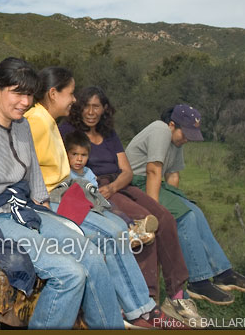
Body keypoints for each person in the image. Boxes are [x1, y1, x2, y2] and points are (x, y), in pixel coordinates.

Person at [0, 57, 123, 330]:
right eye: (17, 92)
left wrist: (49, 220)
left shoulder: (22, 124)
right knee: (69, 274)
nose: (25, 101)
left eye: (28, 94)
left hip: (22, 209)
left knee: (92, 256)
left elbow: (34, 175)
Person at [24, 67, 172, 329]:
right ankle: (137, 309)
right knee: (109, 235)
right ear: (53, 93)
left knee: (117, 226)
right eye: (70, 94)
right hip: (48, 198)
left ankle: (142, 306)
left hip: (63, 192)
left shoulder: (48, 121)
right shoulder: (36, 121)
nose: (73, 100)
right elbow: (24, 167)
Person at [59, 86, 202, 327]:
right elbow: (66, 168)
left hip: (117, 184)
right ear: (79, 107)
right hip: (93, 188)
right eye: (86, 106)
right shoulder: (67, 131)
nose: (91, 112)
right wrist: (98, 190)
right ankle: (144, 299)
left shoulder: (109, 133)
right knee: (144, 225)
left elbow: (126, 171)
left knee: (164, 217)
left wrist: (114, 187)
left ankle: (177, 293)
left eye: (97, 106)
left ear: (105, 109)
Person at [125, 104, 245, 304]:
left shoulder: (176, 142)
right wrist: (156, 211)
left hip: (154, 182)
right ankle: (198, 281)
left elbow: (173, 175)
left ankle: (223, 272)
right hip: (135, 183)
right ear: (172, 125)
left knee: (196, 211)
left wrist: (178, 200)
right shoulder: (160, 130)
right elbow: (153, 170)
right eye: (185, 133)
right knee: (186, 217)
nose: (186, 139)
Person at [63, 130, 156, 247]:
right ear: (66, 154)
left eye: (83, 155)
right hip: (83, 206)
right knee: (110, 214)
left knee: (113, 207)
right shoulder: (67, 173)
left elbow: (95, 189)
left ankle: (134, 228)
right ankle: (132, 231)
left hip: (95, 201)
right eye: (75, 154)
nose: (79, 159)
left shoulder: (89, 172)